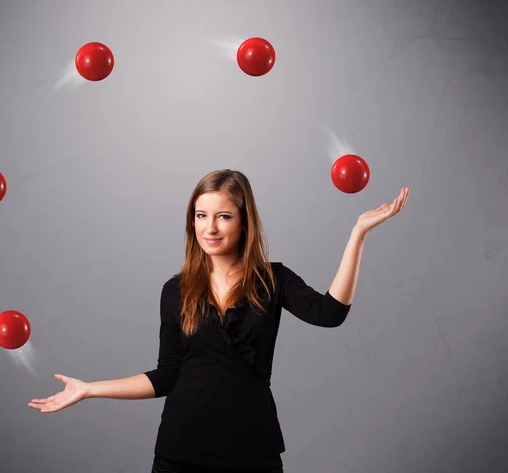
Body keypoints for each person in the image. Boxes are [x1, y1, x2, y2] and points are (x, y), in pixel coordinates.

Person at [29, 169, 410, 472]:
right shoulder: (174, 290)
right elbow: (166, 376)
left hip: (251, 453)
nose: (209, 228)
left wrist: (358, 234)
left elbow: (329, 314)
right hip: (180, 455)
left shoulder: (273, 279)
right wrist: (89, 388)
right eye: (201, 216)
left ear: (244, 222)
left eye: (223, 216)